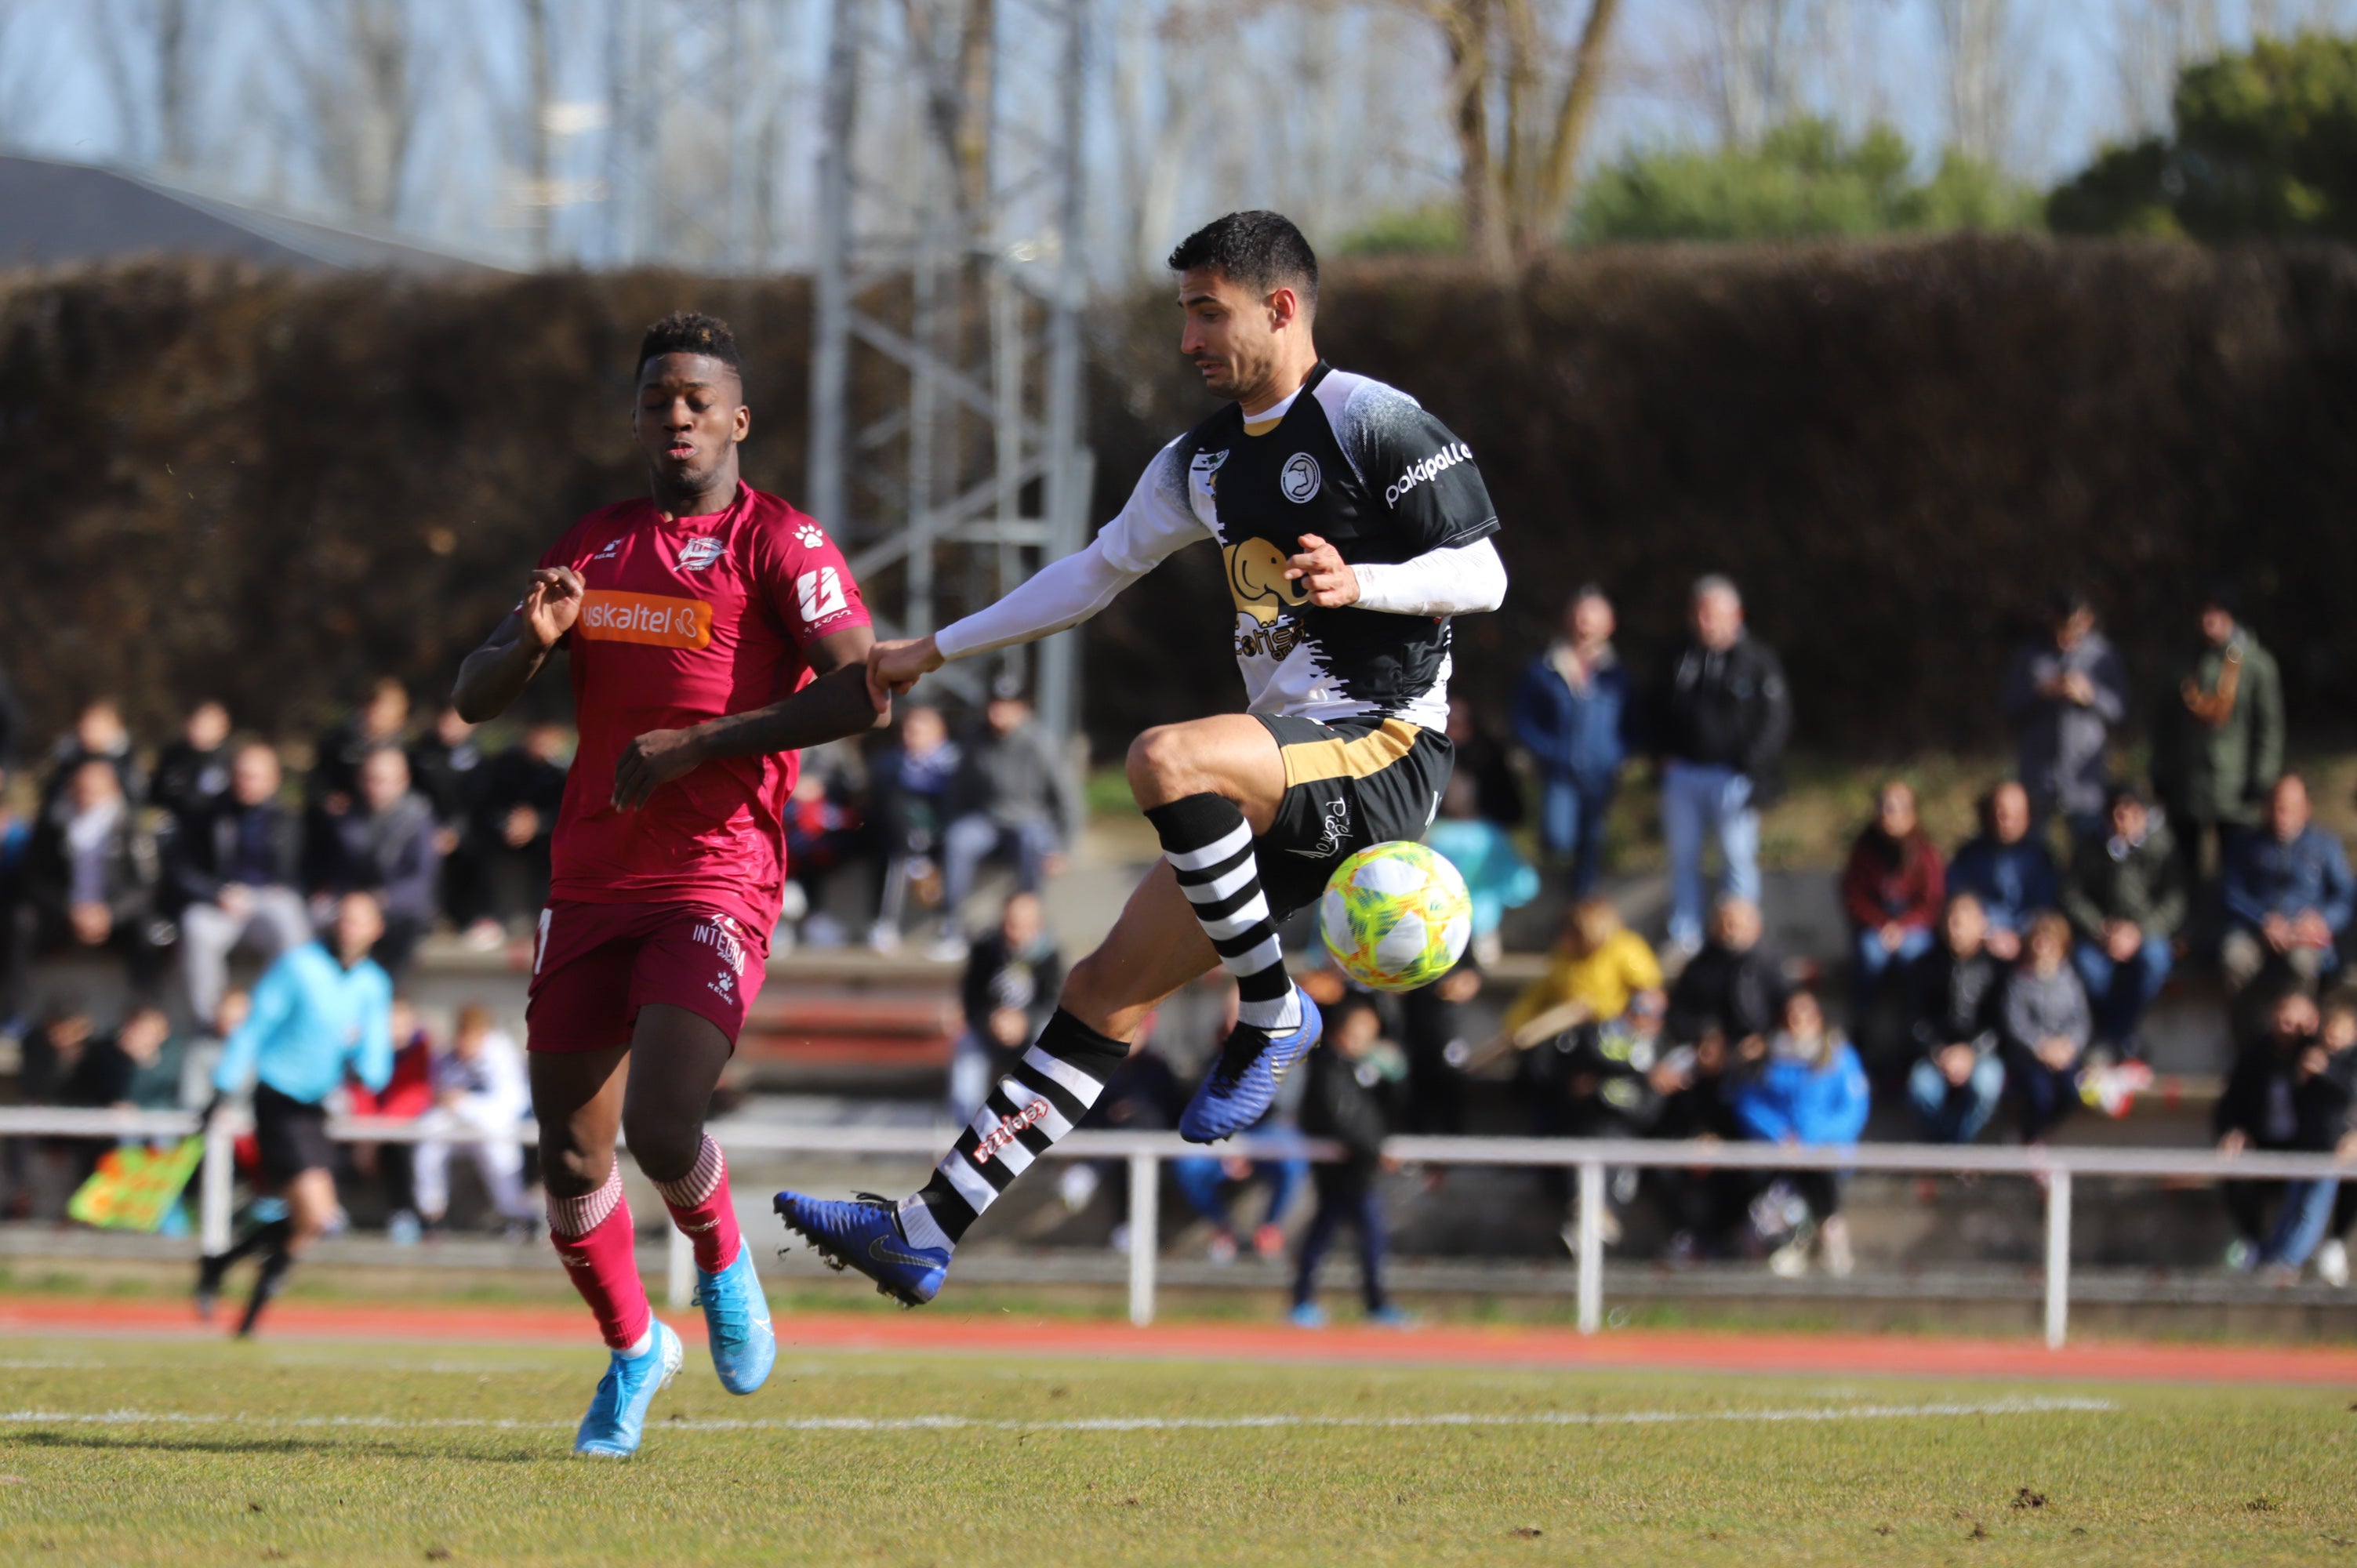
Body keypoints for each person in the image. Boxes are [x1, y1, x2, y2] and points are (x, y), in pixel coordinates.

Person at [779, 211, 1505, 1308]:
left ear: (1281, 307)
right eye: (1183, 315)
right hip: (1286, 774)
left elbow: (1485, 574)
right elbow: (1090, 574)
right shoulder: (1200, 461)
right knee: (1101, 992)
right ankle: (926, 1228)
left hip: (1382, 747)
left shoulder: (1372, 421)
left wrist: (1368, 583)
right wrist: (930, 650)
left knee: (1165, 759)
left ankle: (1270, 1009)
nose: (1187, 341)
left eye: (1207, 313)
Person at [450, 310, 889, 1455]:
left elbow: (860, 692)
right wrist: (531, 643)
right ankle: (636, 1345)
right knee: (567, 1157)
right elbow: (471, 695)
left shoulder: (782, 543)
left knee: (660, 1118)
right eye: (657, 399)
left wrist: (701, 745)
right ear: (639, 420)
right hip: (592, 878)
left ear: (738, 419)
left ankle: (723, 1258)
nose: (677, 415)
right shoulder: (594, 546)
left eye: (698, 397)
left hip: (717, 876)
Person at [195, 892, 394, 1337]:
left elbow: (374, 1053)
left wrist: (367, 1068)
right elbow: (256, 1026)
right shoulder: (298, 966)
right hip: (278, 1096)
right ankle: (238, 1300)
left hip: (316, 1104)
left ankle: (226, 1278)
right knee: (317, 1215)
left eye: (360, 922)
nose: (349, 929)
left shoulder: (372, 983)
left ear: (376, 929)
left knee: (308, 1221)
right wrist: (225, 1087)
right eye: (344, 919)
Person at [1653, 575, 1792, 956]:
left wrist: (1751, 764)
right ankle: (1685, 934)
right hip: (1683, 773)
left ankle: (1741, 933)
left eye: (1712, 614)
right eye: (1698, 613)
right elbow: (1656, 708)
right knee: (1683, 855)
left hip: (1734, 776)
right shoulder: (1678, 657)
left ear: (1736, 615)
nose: (1704, 621)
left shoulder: (1757, 660)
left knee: (1736, 853)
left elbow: (1775, 719)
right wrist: (1660, 754)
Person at [2152, 586, 2284, 895]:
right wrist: (2160, 769)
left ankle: (2226, 932)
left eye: (2217, 613)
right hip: (2188, 783)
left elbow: (2269, 728)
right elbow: (2163, 725)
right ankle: (2189, 932)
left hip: (2236, 787)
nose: (2209, 621)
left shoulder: (2256, 664)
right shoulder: (2184, 663)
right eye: (2204, 613)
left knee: (2235, 867)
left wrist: (2262, 778)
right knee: (2183, 869)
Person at [1287, 996, 1410, 1328]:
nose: (1366, 1038)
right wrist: (1375, 1150)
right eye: (1360, 1030)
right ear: (1341, 1032)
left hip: (1358, 1168)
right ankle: (1314, 1303)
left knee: (1343, 1233)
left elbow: (1383, 1112)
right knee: (1347, 1233)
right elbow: (1343, 1121)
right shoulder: (1329, 1069)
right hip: (1341, 1170)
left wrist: (1395, 1077)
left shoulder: (1365, 1071)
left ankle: (1365, 1304)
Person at [171, 742, 310, 1024]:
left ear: (274, 779)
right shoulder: (208, 814)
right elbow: (182, 868)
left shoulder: (288, 817)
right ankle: (213, 1020)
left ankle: (279, 1014)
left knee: (292, 923)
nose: (245, 783)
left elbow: (308, 868)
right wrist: (216, 893)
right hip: (222, 899)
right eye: (241, 774)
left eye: (254, 776)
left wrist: (290, 887)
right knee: (195, 926)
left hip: (270, 898)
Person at [1733, 989, 1869, 1278]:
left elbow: (1852, 1107)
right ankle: (1779, 1245)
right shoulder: (1768, 1057)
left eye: (1805, 1014)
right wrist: (1779, 1135)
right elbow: (1749, 1103)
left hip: (1822, 1148)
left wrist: (1810, 1139)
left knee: (1821, 1177)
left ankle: (1829, 1235)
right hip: (1777, 1149)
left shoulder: (1838, 1055)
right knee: (1768, 1189)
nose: (1798, 1021)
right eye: (1792, 1015)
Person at [2215, 987, 2350, 1276]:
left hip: (2321, 1148)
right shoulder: (2258, 1055)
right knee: (2238, 1172)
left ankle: (2323, 1247)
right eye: (2281, 1020)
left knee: (2320, 1193)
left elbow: (2345, 1098)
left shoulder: (2330, 1057)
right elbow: (2229, 1103)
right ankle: (2257, 1247)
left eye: (2295, 1024)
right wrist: (2233, 1130)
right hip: (2273, 1146)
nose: (2287, 1030)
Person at [14, 757, 168, 1002]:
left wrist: (110, 913)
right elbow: (34, 878)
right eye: (82, 790)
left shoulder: (130, 826)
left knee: (148, 932)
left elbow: (145, 885)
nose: (88, 797)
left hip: (113, 918)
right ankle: (15, 1009)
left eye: (96, 791)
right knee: (20, 922)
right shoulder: (53, 824)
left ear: (113, 790)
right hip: (63, 915)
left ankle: (145, 1009)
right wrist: (70, 910)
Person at [935, 691, 1072, 960]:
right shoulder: (975, 739)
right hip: (986, 821)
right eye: (994, 707)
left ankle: (1028, 924)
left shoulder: (1040, 741)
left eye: (1006, 708)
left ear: (1022, 710)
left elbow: (1066, 798)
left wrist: (1062, 848)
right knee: (958, 840)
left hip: (1028, 819)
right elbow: (957, 790)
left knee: (1031, 840)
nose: (998, 714)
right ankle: (951, 926)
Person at [1513, 586, 1629, 896]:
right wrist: (1550, 753)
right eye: (1579, 618)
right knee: (1558, 838)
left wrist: (1617, 756)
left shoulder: (1617, 675)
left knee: (1592, 843)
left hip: (1601, 775)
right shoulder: (1545, 669)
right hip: (1558, 773)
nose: (1584, 626)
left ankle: (1582, 909)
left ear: (1609, 625)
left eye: (1592, 619)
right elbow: (1525, 720)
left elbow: (1630, 724)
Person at [2060, 785, 2186, 1056]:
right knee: (2087, 967)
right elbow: (2073, 895)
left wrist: (2139, 932)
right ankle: (2122, 1038)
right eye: (2117, 813)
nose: (2124, 819)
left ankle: (2115, 1037)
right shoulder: (2090, 846)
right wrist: (2100, 927)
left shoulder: (2162, 847)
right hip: (2101, 935)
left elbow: (2174, 902)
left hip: (2146, 933)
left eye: (2131, 812)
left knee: (2155, 961)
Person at [2000, 590, 2128, 835]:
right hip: (2039, 774)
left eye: (2074, 627)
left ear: (2087, 621)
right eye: (2061, 627)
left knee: (2086, 847)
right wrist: (2041, 693)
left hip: (2084, 778)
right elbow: (2008, 707)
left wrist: (2091, 695)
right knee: (2035, 845)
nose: (2066, 636)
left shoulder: (2102, 655)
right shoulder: (2029, 655)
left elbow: (2119, 710)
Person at [2219, 774, 2353, 997]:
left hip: (2305, 932)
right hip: (2255, 928)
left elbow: (2345, 894)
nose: (2282, 816)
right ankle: (2247, 1028)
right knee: (2234, 958)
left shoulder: (2326, 845)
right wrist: (2263, 920)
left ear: (2306, 809)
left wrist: (2322, 920)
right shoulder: (2246, 843)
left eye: (2290, 809)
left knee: (2303, 963)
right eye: (2277, 808)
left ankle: (2298, 1026)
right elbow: (2231, 892)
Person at [412, 1004, 536, 1238]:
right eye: (462, 1033)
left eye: (472, 1034)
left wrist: (465, 1103)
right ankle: (431, 1216)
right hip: (457, 1127)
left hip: (495, 1127)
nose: (465, 1041)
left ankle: (519, 1217)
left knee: (498, 1154)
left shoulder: (501, 1054)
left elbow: (511, 1105)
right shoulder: (448, 1054)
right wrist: (452, 1102)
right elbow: (438, 1096)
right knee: (429, 1144)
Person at [317, 747, 440, 980]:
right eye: (369, 779)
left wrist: (379, 900)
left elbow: (422, 882)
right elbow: (339, 869)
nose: (374, 787)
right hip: (354, 904)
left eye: (382, 780)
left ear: (402, 781)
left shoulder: (419, 819)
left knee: (407, 925)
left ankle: (388, 994)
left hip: (398, 908)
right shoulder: (348, 816)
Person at [950, 892, 1066, 1122]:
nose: (1012, 932)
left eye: (1020, 926)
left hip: (1030, 1033)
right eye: (1009, 924)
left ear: (1037, 926)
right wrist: (992, 1020)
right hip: (990, 1032)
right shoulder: (986, 950)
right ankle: (964, 1126)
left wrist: (1024, 1021)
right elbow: (971, 1001)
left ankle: (1042, 1120)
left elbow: (1052, 1004)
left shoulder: (1050, 957)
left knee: (1049, 1041)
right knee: (967, 1047)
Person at [1905, 895, 2008, 1143]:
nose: (1955, 929)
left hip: (1981, 1053)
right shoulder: (1924, 966)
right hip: (1937, 1054)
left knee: (1987, 1085)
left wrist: (1971, 1052)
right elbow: (1915, 1019)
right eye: (1950, 921)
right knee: (1921, 1088)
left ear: (1980, 925)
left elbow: (2002, 1024)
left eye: (1962, 922)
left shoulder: (1996, 969)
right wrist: (1939, 1052)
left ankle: (1952, 1149)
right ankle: (1953, 1151)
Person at [1839, 779, 1945, 1020]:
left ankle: (1915, 1022)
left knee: (1914, 957)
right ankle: (1861, 1022)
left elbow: (1932, 902)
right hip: (1877, 926)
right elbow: (1854, 895)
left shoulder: (1925, 852)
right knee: (1870, 954)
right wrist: (1884, 923)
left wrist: (1903, 926)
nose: (1889, 814)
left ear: (1912, 814)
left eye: (1896, 808)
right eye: (1884, 807)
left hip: (1914, 926)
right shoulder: (1864, 848)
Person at [866, 703, 963, 953]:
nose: (911, 736)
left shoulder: (958, 763)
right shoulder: (890, 763)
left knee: (961, 845)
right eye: (908, 730)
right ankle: (884, 923)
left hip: (944, 832)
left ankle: (949, 926)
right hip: (901, 837)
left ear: (939, 732)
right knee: (892, 847)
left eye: (919, 730)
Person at [1503, 897, 1662, 1047]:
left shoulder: (1625, 948)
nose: (1565, 936)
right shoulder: (1564, 957)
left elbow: (1649, 993)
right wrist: (1516, 1023)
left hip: (1612, 1031)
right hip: (1571, 1031)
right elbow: (1539, 993)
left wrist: (1633, 1020)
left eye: (1572, 930)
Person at [1422, 772, 1538, 971]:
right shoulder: (1431, 831)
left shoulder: (1490, 834)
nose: (1457, 794)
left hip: (1479, 928)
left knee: (1478, 974)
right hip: (1434, 925)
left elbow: (1524, 883)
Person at [2001, 913, 2094, 1143]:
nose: (2043, 948)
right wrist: (2040, 1046)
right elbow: (2016, 1021)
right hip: (2031, 1055)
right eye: (2038, 941)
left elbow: (2080, 1019)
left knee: (2071, 1093)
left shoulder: (2070, 980)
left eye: (2049, 943)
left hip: (2063, 1053)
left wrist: (2069, 1045)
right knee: (2039, 1094)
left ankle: (2035, 1136)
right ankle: (2030, 1137)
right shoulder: (2020, 981)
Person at [1945, 781, 2057, 963]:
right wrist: (1987, 934)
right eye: (2001, 813)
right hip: (1981, 940)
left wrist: (2021, 936)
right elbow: (1959, 899)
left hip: (2029, 941)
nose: (2006, 821)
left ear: (2028, 816)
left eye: (2015, 815)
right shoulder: (1969, 855)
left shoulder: (2042, 858)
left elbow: (2045, 906)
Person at [473, 723, 568, 934]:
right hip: (505, 835)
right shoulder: (503, 766)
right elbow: (487, 805)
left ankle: (547, 915)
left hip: (546, 841)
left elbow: (567, 811)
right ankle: (490, 915)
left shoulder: (563, 771)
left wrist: (538, 823)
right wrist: (510, 822)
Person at [1665, 895, 1785, 1053]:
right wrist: (1705, 1036)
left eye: (1737, 925)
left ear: (1755, 928)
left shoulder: (1769, 965)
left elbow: (1788, 1009)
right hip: (1708, 1051)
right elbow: (1680, 1015)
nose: (1730, 931)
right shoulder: (1700, 967)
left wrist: (1765, 1041)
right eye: (1725, 924)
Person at [409, 706, 488, 933]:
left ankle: (469, 916)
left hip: (465, 829)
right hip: (425, 826)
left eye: (456, 723)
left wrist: (456, 831)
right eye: (445, 721)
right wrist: (431, 829)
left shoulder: (478, 759)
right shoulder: (420, 754)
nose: (449, 728)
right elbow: (416, 796)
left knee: (474, 851)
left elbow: (477, 803)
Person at [311, 678, 411, 818]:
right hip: (345, 816)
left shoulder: (407, 749)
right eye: (375, 708)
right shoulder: (338, 741)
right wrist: (326, 797)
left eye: (387, 709)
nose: (379, 714)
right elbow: (318, 779)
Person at [38, 699, 140, 816]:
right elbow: (51, 799)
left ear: (113, 726)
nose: (88, 731)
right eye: (85, 725)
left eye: (95, 726)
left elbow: (134, 800)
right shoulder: (68, 757)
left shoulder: (125, 763)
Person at [1444, 694, 1523, 831]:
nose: (1450, 731)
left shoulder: (1488, 759)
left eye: (1455, 724)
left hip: (1486, 828)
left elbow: (1511, 810)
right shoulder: (1432, 759)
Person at [150, 700, 234, 825]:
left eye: (207, 725)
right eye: (197, 724)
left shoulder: (230, 760)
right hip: (175, 829)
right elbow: (156, 794)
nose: (200, 730)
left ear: (223, 728)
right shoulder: (173, 756)